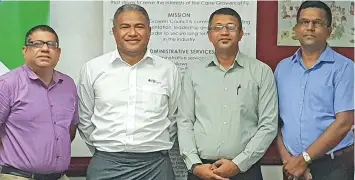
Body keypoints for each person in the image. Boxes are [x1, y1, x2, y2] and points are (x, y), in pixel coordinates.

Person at [77, 4, 181, 180]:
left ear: (149, 30)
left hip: (154, 166)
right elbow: (85, 118)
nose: (132, 33)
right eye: (125, 27)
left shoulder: (168, 70)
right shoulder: (93, 69)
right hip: (107, 164)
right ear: (114, 31)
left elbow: (173, 118)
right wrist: (106, 152)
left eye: (139, 26)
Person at [177, 7, 278, 180]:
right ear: (209, 35)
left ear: (240, 34)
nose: (224, 32)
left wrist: (239, 164)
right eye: (217, 27)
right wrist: (194, 165)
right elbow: (185, 121)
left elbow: (268, 125)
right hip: (202, 169)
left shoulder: (261, 72)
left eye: (231, 27)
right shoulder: (194, 72)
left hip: (246, 170)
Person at [275, 1, 354, 180]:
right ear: (296, 29)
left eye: (317, 23)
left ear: (328, 30)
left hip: (333, 166)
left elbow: (344, 123)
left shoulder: (344, 68)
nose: (309, 28)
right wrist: (289, 160)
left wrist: (304, 159)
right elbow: (276, 121)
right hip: (292, 166)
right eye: (304, 22)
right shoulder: (282, 69)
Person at [0, 25, 78, 180]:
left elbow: (70, 130)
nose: (45, 49)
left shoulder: (68, 85)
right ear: (25, 50)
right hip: (18, 176)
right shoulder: (7, 84)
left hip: (60, 176)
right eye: (37, 44)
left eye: (51, 44)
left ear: (58, 52)